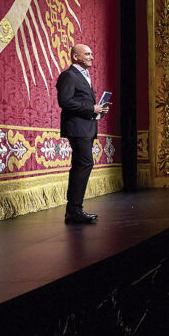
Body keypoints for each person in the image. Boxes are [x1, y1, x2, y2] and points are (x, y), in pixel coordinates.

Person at [56, 44, 109, 224]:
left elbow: (81, 102)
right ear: (75, 57)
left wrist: (98, 110)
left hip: (86, 127)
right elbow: (65, 102)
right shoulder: (68, 75)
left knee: (82, 165)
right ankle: (74, 210)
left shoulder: (84, 76)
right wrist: (90, 108)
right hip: (77, 128)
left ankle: (74, 210)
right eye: (87, 54)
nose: (91, 57)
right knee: (84, 164)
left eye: (91, 54)